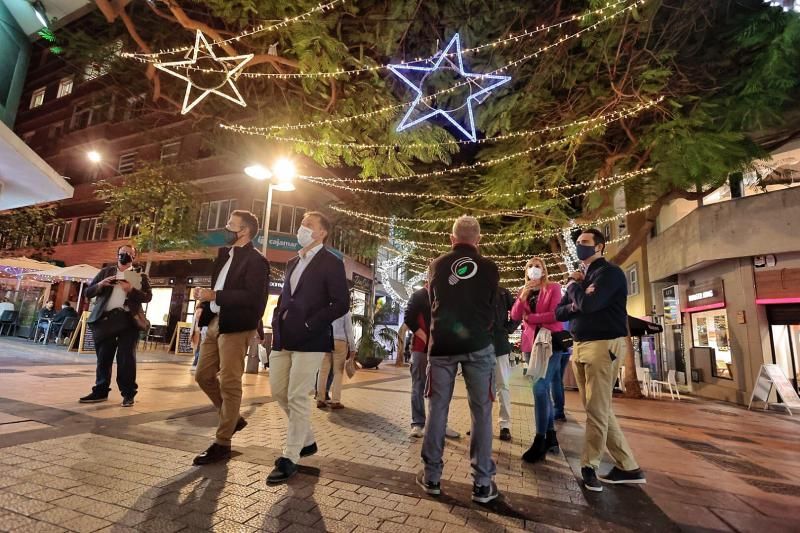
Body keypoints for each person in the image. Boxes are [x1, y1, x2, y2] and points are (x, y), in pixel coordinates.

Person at [417, 216, 500, 504]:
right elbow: (494, 307)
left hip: (442, 346)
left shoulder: (436, 265)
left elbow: (433, 301)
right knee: (482, 413)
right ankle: (481, 484)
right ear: (478, 239)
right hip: (478, 344)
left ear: (452, 239)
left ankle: (432, 477)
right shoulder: (491, 269)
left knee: (437, 409)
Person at [555, 228, 645, 492]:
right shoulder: (583, 278)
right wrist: (578, 297)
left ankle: (589, 466)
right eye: (578, 243)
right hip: (580, 346)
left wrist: (573, 288)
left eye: (585, 242)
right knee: (598, 409)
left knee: (596, 410)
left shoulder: (610, 273)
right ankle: (629, 467)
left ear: (600, 247)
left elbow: (590, 306)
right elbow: (561, 311)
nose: (580, 246)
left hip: (603, 345)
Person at [268, 211, 349, 483]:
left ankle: (290, 456)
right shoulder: (293, 261)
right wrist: (276, 321)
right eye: (302, 223)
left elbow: (341, 303)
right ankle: (308, 439)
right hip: (283, 337)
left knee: (297, 395)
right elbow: (286, 298)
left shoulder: (331, 262)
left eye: (308, 225)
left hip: (311, 339)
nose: (301, 228)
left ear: (322, 232)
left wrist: (310, 324)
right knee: (279, 391)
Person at [192, 210, 269, 466]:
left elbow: (254, 298)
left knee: (230, 382)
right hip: (214, 322)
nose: (225, 227)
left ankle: (222, 443)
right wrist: (205, 298)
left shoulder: (257, 260)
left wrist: (216, 296)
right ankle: (233, 418)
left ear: (244, 230)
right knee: (202, 375)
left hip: (236, 325)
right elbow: (219, 289)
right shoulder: (225, 255)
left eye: (230, 224)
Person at [80, 245, 152, 406]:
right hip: (106, 320)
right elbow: (88, 292)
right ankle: (100, 390)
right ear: (117, 254)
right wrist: (101, 285)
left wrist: (131, 290)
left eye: (129, 254)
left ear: (134, 256)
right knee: (104, 357)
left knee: (126, 358)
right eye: (122, 253)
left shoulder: (139, 275)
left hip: (129, 321)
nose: (125, 256)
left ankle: (128, 394)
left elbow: (147, 297)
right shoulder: (106, 272)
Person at [511, 257, 566, 463]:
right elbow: (516, 315)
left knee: (540, 389)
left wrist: (531, 318)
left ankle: (540, 439)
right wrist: (523, 295)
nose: (534, 269)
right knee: (541, 392)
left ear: (544, 271)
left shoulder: (553, 287)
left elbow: (555, 315)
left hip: (548, 344)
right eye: (530, 267)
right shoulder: (523, 290)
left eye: (538, 267)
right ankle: (551, 436)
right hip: (529, 346)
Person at [403, 286, 460, 440]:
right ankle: (418, 423)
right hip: (421, 349)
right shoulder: (419, 295)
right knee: (418, 385)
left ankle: (441, 424)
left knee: (443, 389)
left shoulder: (448, 295)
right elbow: (409, 318)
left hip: (443, 350)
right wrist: (426, 339)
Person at [493, 287, 521, 442]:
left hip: (499, 344)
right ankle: (479, 422)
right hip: (480, 345)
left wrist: (509, 328)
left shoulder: (503, 292)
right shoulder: (474, 289)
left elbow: (517, 312)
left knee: (502, 385)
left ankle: (505, 425)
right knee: (480, 388)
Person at [316, 310, 356, 409]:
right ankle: (335, 401)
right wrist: (352, 348)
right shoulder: (344, 310)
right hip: (340, 341)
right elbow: (349, 330)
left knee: (323, 371)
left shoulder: (324, 307)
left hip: (325, 340)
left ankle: (320, 399)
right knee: (338, 372)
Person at [551, 322, 572, 422]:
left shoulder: (556, 310)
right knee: (558, 381)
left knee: (555, 380)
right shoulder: (569, 309)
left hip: (556, 348)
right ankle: (560, 410)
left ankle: (558, 411)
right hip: (566, 348)